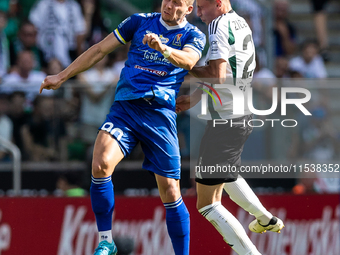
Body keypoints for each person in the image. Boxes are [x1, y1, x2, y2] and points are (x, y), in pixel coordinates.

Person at [39, 0, 206, 254]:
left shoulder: (193, 35)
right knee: (100, 163)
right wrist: (61, 76)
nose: (169, 5)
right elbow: (98, 50)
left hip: (159, 114)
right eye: (167, 0)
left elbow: (190, 61)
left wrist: (163, 48)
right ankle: (106, 241)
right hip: (126, 109)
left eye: (177, 2)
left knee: (171, 192)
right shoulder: (138, 22)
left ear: (189, 9)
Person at [176, 0, 284, 254]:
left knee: (207, 204)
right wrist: (195, 98)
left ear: (219, 4)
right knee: (226, 175)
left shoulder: (217, 26)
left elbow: (218, 74)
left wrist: (184, 63)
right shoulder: (241, 23)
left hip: (226, 122)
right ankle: (265, 218)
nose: (198, 13)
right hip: (239, 115)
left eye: (202, 7)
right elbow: (227, 70)